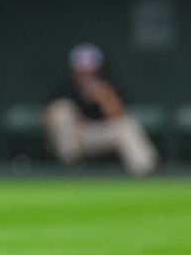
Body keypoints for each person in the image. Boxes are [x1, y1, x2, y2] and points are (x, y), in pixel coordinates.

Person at [44, 43, 159, 176]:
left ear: (97, 69)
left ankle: (145, 172)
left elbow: (118, 117)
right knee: (61, 110)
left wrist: (105, 98)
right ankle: (71, 167)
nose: (85, 75)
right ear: (74, 70)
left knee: (128, 125)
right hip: (73, 137)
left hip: (97, 136)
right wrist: (76, 119)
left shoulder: (106, 86)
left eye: (89, 71)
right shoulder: (65, 88)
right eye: (82, 71)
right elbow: (47, 115)